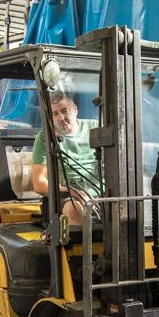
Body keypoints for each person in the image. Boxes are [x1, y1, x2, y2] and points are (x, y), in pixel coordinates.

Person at [31, 91, 100, 224]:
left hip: (101, 193)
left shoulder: (95, 128)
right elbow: (39, 184)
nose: (61, 118)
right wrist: (73, 192)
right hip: (67, 195)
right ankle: (82, 244)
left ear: (75, 109)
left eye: (64, 111)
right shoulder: (46, 138)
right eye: (55, 114)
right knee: (75, 211)